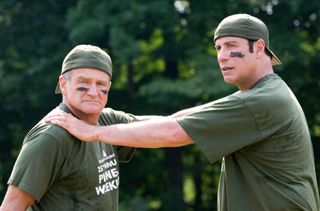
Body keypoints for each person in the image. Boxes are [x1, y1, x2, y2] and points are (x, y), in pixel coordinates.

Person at [45, 14, 320, 210]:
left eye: (231, 47)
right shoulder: (258, 96)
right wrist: (106, 116)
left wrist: (93, 132)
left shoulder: (262, 101)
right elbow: (180, 118)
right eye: (218, 48)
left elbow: (174, 132)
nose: (221, 56)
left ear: (259, 47)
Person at [0, 44, 144, 210]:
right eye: (83, 83)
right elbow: (10, 207)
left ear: (109, 87)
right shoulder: (51, 137)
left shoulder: (107, 121)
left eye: (101, 84)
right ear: (63, 84)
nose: (93, 91)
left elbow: (166, 125)